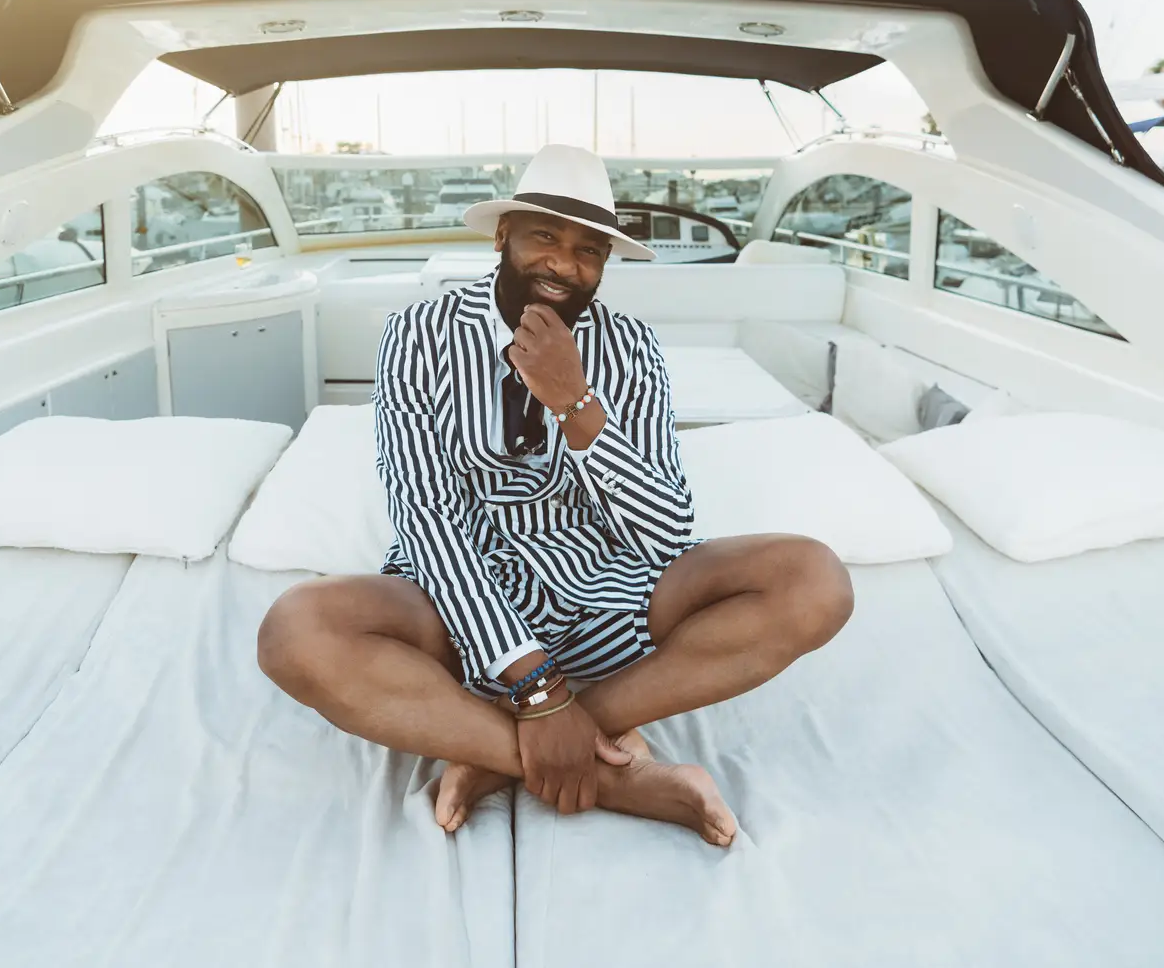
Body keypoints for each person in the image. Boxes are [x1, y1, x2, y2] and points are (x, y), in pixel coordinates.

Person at [258, 144, 853, 845]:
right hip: (463, 604)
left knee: (814, 581)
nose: (566, 266)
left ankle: (499, 752)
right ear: (504, 234)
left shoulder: (632, 349)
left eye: (589, 250)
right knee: (295, 631)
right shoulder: (417, 336)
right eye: (546, 236)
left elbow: (664, 533)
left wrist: (576, 404)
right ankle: (611, 777)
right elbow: (426, 516)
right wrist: (534, 684)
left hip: (616, 593)